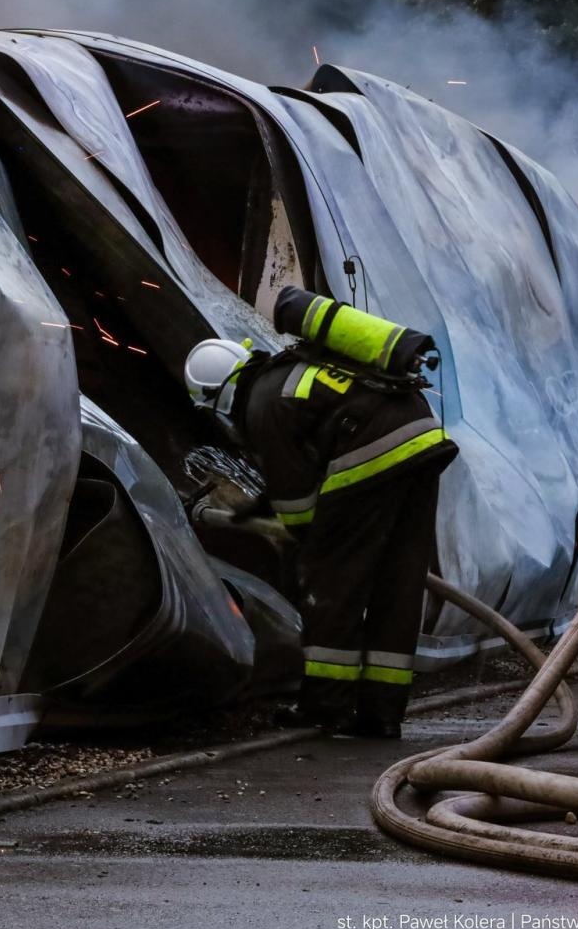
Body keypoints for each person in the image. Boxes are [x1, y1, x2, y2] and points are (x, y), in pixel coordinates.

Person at [184, 286, 458, 738]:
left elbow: (298, 505)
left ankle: (325, 707)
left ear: (221, 394)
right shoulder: (292, 370)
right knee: (398, 583)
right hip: (420, 442)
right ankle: (381, 713)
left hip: (371, 460)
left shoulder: (263, 405)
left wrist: (301, 548)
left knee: (333, 585)